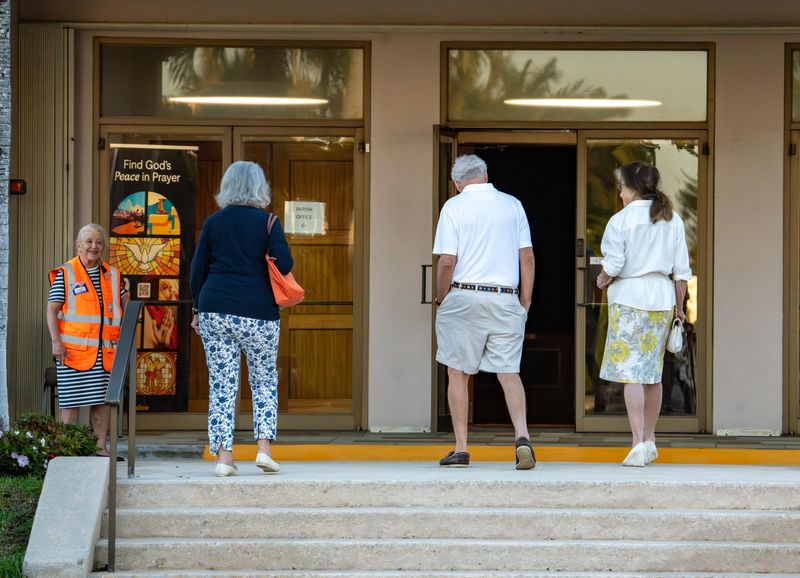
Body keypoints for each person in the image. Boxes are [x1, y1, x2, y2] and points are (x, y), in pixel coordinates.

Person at [190, 160, 293, 477]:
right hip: (259, 312)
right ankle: (263, 450)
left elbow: (197, 271)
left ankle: (223, 457)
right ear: (260, 187)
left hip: (216, 309)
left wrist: (196, 309)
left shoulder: (213, 222)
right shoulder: (268, 222)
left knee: (222, 385)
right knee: (264, 381)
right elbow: (285, 263)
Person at [432, 154, 536, 470]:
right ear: (486, 174)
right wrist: (525, 301)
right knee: (508, 372)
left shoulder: (454, 207)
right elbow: (527, 257)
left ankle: (461, 447)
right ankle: (522, 437)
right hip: (506, 297)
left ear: (456, 182)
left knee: (457, 372)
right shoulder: (512, 205)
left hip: (464, 294)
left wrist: (441, 297)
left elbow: (446, 261)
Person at [596, 161, 692, 467]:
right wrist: (679, 308)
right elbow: (681, 274)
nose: (619, 192)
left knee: (631, 372)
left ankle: (637, 441)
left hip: (630, 299)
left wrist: (602, 279)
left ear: (632, 187)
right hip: (661, 299)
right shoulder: (672, 218)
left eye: (621, 186)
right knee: (653, 373)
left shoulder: (620, 220)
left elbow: (613, 264)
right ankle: (650, 439)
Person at [46, 223, 128, 457]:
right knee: (71, 402)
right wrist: (55, 342)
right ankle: (66, 449)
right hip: (72, 352)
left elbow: (126, 304)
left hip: (104, 353)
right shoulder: (66, 273)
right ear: (78, 245)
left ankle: (100, 447)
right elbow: (51, 309)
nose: (94, 246)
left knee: (102, 402)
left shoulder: (113, 275)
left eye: (99, 242)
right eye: (89, 242)